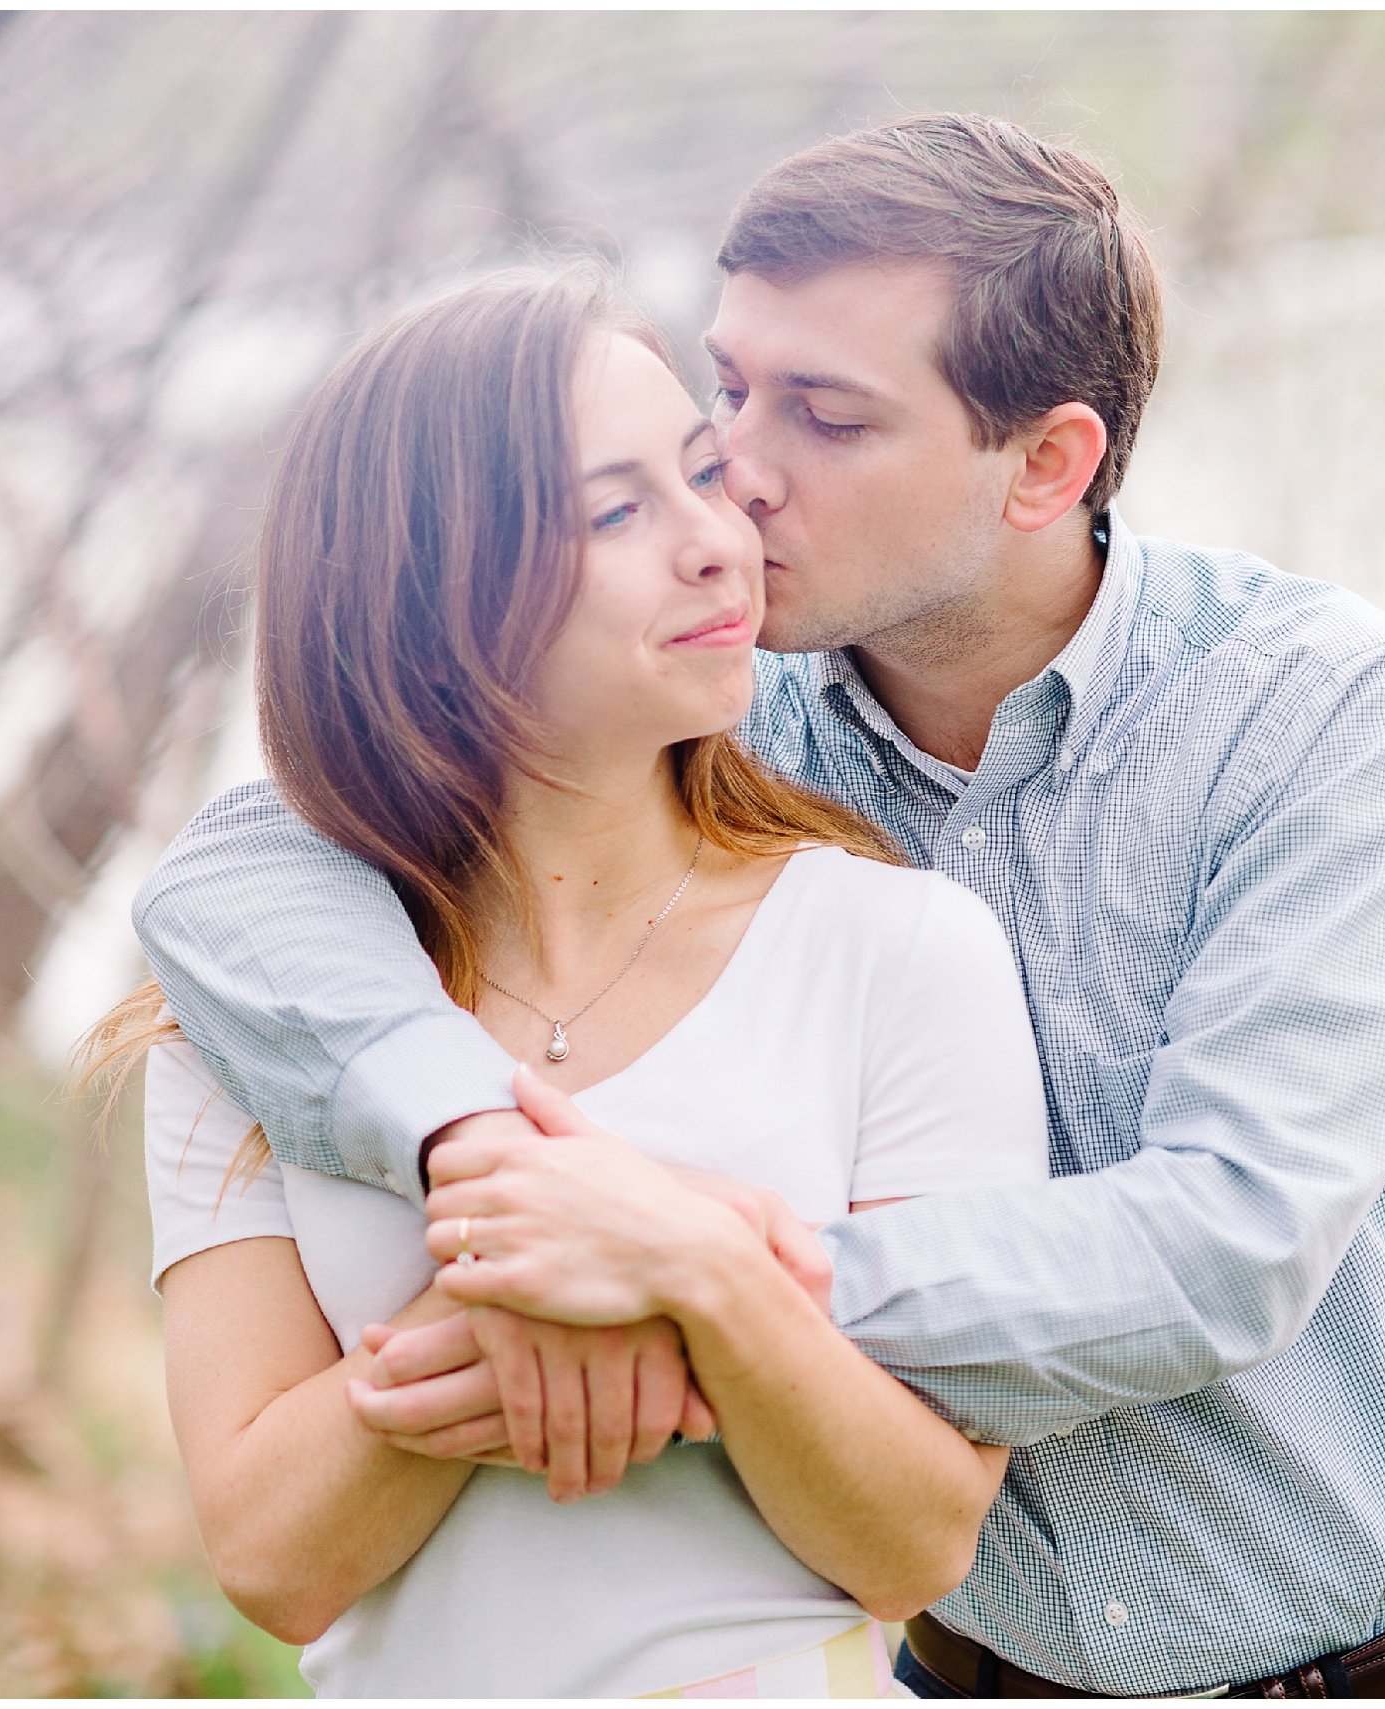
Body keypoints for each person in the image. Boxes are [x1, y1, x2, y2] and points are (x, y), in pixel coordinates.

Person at [137, 114, 1385, 1698]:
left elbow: (1226, 1241)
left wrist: (704, 1278)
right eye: (729, 388)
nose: (735, 474)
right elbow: (232, 875)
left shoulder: (1308, 711)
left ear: (1047, 463)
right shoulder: (706, 703)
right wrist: (477, 1147)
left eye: (824, 415)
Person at [89, 266, 1055, 1697]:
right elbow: (271, 1558)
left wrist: (705, 1275)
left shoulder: (897, 948)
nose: (717, 542)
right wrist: (534, 1282)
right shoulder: (257, 1025)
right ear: (428, 593)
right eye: (615, 512)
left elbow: (916, 1534)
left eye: (699, 476)